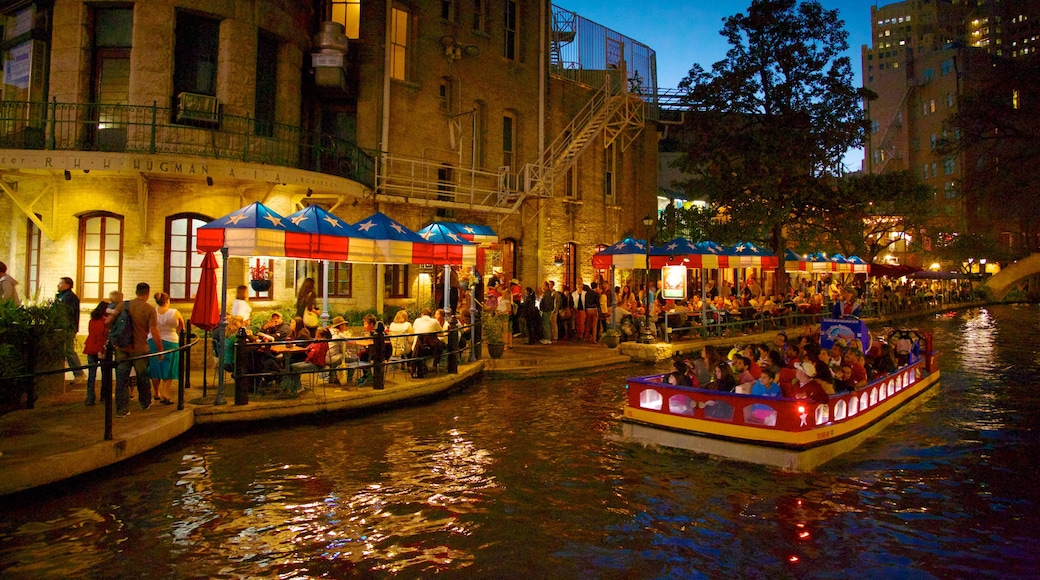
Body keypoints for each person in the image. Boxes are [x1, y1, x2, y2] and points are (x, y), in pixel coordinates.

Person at [107, 282, 163, 417]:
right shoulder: (149, 309)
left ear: (136, 291)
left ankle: (122, 409)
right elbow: (154, 331)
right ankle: (145, 402)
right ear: (147, 293)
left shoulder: (123, 305)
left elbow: (108, 321)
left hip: (122, 348)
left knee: (121, 380)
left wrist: (114, 338)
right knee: (142, 377)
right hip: (140, 349)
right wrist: (160, 349)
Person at [147, 291, 185, 405]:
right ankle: (165, 392)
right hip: (171, 340)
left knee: (155, 366)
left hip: (153, 341)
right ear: (168, 301)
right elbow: (181, 326)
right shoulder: (175, 312)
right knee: (169, 367)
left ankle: (156, 392)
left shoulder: (152, 312)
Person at [55, 277, 85, 384]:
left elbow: (66, 313)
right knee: (66, 350)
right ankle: (77, 373)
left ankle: (79, 373)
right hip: (64, 327)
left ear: (67, 285)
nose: (58, 285)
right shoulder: (62, 296)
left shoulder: (69, 297)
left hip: (67, 328)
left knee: (69, 350)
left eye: (61, 283)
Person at [284, 327, 330, 395]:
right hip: (310, 361)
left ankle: (297, 387)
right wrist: (310, 351)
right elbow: (307, 349)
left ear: (320, 334)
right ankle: (294, 386)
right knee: (292, 365)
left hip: (317, 364)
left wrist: (310, 351)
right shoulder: (316, 341)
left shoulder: (323, 343)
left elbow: (313, 354)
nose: (315, 334)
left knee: (293, 366)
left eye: (317, 333)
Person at [82, 301, 110, 406]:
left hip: (90, 348)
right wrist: (101, 351)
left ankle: (90, 397)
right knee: (105, 374)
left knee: (91, 375)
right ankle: (104, 395)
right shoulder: (105, 321)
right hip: (101, 349)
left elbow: (92, 334)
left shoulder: (92, 320)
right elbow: (101, 337)